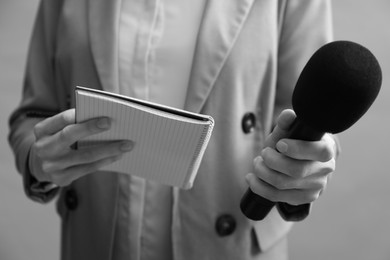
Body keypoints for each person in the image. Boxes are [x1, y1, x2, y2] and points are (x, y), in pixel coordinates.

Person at [8, 0, 339, 259]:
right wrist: (38, 161)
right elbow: (32, 114)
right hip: (96, 240)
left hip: (229, 242)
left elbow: (309, 113)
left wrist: (302, 164)